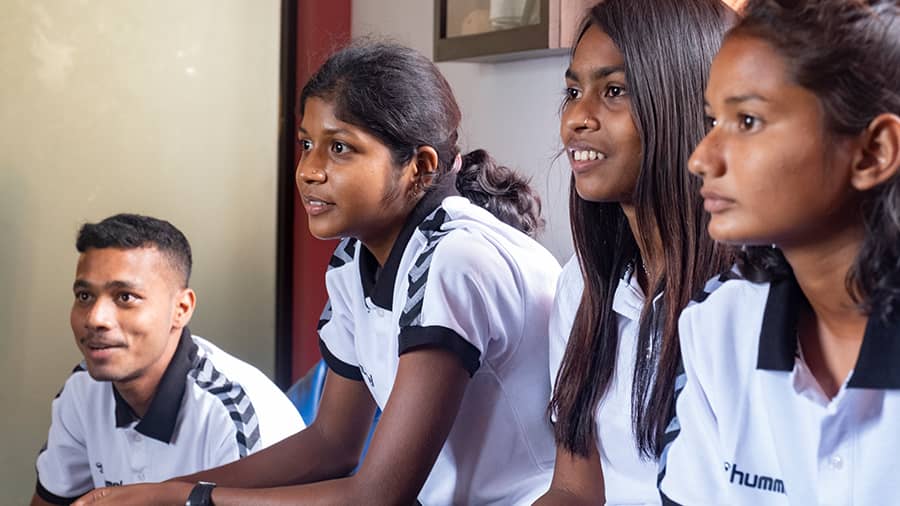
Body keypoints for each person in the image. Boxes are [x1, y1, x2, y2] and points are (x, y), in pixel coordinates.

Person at [75, 41, 560, 506]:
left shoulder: (455, 259)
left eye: (341, 148)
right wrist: (162, 491)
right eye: (307, 144)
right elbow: (332, 442)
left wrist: (190, 497)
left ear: (419, 167)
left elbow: (378, 495)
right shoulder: (355, 261)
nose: (309, 170)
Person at [659, 0, 900, 503]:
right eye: (712, 120)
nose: (701, 159)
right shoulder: (718, 326)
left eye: (747, 121)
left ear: (874, 151)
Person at [535, 1, 736, 504]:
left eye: (614, 91)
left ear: (686, 103)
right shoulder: (582, 284)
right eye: (574, 91)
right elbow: (573, 491)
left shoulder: (747, 295)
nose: (577, 118)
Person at [32, 214, 304, 506]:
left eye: (125, 297)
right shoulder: (82, 390)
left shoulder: (232, 414)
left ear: (181, 309)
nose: (96, 318)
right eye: (84, 296)